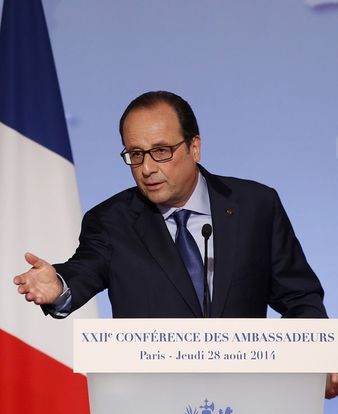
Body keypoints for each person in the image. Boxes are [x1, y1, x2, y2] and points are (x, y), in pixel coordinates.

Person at [13, 90, 338, 398]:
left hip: (243, 412)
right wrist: (59, 282)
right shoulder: (111, 221)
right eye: (136, 155)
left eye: (161, 151)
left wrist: (315, 356)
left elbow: (300, 298)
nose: (147, 168)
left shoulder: (256, 207)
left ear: (194, 147)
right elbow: (85, 267)